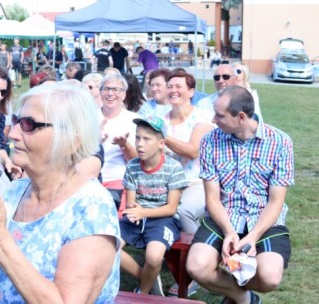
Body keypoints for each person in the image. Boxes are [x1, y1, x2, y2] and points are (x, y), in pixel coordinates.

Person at [0, 82, 120, 303]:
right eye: (16, 121)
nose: (13, 134)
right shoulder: (13, 193)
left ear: (72, 140)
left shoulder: (91, 207)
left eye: (29, 124)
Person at [187, 86, 294, 304]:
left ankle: (232, 292)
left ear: (241, 117)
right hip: (224, 215)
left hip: (265, 219)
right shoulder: (210, 141)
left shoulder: (280, 142)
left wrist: (251, 238)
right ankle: (242, 297)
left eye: (220, 115)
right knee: (196, 266)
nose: (214, 120)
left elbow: (275, 202)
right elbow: (213, 198)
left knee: (270, 277)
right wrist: (228, 231)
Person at [119, 115, 187, 296]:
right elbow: (131, 203)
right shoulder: (133, 166)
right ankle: (145, 277)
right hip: (137, 215)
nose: (140, 144)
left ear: (161, 143)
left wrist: (143, 212)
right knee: (108, 247)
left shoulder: (173, 168)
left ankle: (143, 292)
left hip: (164, 218)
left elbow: (171, 208)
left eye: (147, 139)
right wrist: (134, 209)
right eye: (137, 137)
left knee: (154, 256)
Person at [163, 70, 215, 297]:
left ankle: (196, 269)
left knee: (183, 212)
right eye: (170, 86)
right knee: (155, 215)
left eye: (179, 86)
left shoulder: (202, 118)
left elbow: (194, 151)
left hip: (198, 182)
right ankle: (170, 266)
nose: (173, 90)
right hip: (167, 183)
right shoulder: (163, 118)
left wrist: (161, 137)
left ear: (191, 91)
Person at [99, 74, 139, 209]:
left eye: (116, 90)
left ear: (124, 95)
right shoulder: (87, 117)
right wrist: (96, 142)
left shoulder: (133, 120)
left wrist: (124, 145)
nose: (111, 94)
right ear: (100, 92)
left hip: (118, 179)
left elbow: (136, 162)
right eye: (106, 89)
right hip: (88, 179)